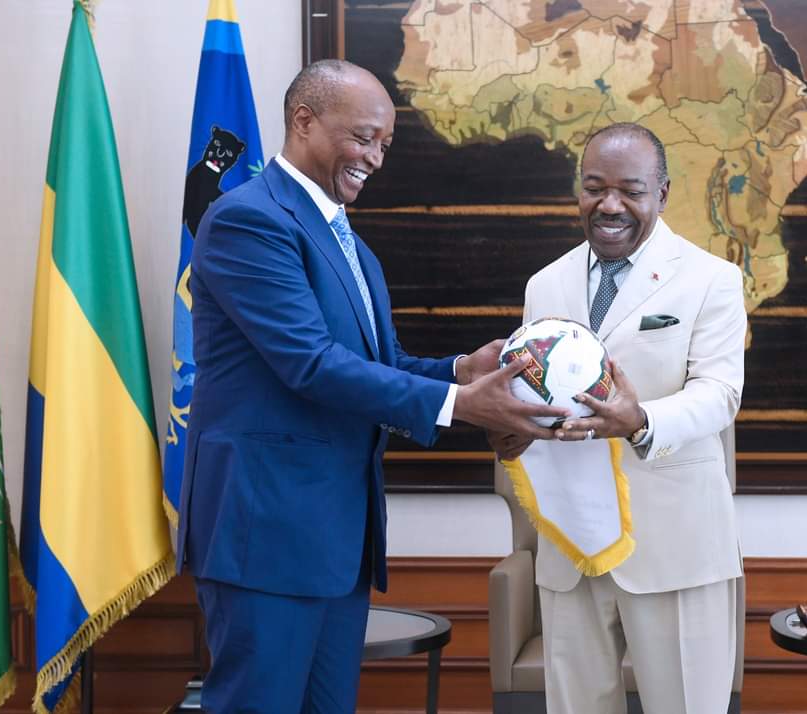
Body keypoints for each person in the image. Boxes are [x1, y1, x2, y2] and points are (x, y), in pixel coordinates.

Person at [175, 59, 566, 714]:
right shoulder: (248, 221)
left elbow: (379, 363)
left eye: (384, 143)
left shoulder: (353, 247)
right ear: (304, 121)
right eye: (363, 137)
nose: (375, 158)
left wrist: (459, 370)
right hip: (265, 538)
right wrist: (459, 405)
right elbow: (310, 362)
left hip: (337, 542)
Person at [490, 123, 747, 713]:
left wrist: (640, 420)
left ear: (662, 193)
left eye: (630, 191)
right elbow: (532, 389)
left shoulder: (711, 278)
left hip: (675, 545)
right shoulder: (544, 283)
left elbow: (720, 393)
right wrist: (510, 428)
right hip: (570, 546)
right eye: (594, 188)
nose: (609, 205)